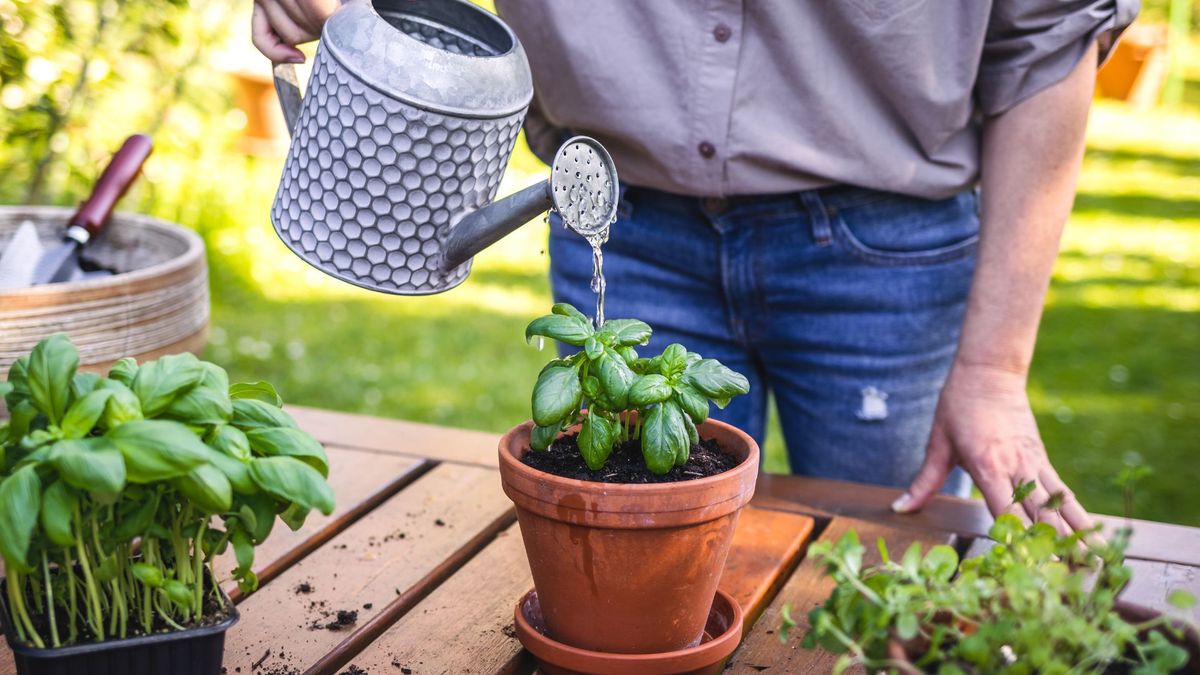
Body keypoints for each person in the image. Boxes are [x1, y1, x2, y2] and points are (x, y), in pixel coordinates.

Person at [250, 0, 1137, 533]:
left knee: (885, 574)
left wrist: (992, 370)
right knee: (634, 572)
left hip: (883, 255)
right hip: (621, 219)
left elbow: (1049, 32)